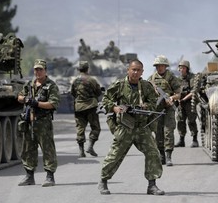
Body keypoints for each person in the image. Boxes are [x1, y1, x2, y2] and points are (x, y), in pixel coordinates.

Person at [98, 59, 165, 195]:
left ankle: (152, 185)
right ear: (128, 70)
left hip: (142, 127)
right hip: (125, 126)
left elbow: (153, 103)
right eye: (133, 69)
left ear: (142, 72)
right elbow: (106, 99)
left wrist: (145, 107)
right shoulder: (120, 85)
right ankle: (103, 181)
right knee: (115, 155)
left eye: (138, 70)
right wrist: (115, 108)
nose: (135, 72)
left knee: (153, 153)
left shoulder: (146, 86)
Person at [17, 59, 60, 187]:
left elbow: (53, 103)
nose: (38, 72)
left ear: (45, 70)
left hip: (43, 122)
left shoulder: (50, 85)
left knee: (47, 149)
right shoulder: (29, 84)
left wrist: (37, 103)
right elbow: (19, 96)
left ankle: (50, 177)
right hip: (30, 122)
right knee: (28, 149)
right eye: (36, 69)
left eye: (40, 69)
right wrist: (25, 99)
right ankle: (29, 176)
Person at [148, 55, 181, 166]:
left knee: (168, 131)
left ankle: (168, 156)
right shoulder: (151, 79)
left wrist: (171, 98)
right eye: (157, 66)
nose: (159, 68)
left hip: (169, 108)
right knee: (158, 132)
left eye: (161, 66)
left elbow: (178, 94)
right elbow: (145, 93)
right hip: (157, 109)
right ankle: (161, 155)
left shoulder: (171, 77)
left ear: (165, 66)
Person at [70, 61, 102, 157]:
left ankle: (81, 151)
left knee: (80, 129)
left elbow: (73, 93)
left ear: (79, 69)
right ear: (88, 69)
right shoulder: (92, 80)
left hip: (79, 107)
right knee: (96, 128)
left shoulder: (75, 81)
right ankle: (90, 146)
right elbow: (98, 92)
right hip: (91, 106)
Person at [174, 59, 199, 148]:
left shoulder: (192, 78)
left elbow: (193, 91)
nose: (182, 69)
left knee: (191, 120)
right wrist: (177, 99)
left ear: (187, 69)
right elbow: (175, 91)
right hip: (180, 102)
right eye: (180, 68)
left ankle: (195, 140)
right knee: (180, 121)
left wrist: (184, 99)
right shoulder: (177, 79)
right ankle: (181, 140)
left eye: (183, 68)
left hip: (189, 101)